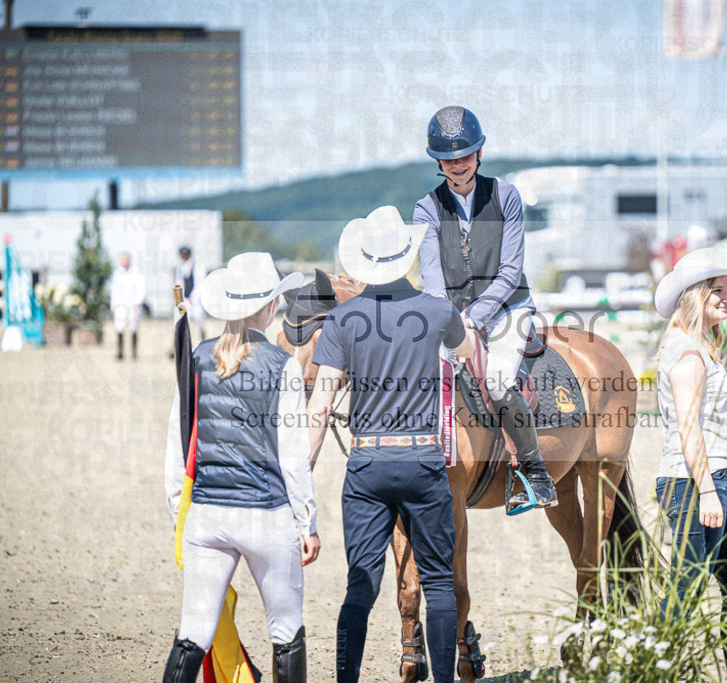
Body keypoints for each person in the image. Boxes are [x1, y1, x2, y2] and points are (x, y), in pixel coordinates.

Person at [306, 206, 477, 683]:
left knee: (359, 587)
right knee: (440, 582)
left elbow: (320, 408)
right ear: (407, 258)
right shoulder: (440, 311)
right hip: (423, 460)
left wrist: (301, 474)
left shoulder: (342, 320)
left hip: (367, 462)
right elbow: (469, 355)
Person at [162, 253, 319, 683]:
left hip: (207, 517)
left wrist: (180, 513)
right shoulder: (283, 366)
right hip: (266, 516)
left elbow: (179, 447)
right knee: (285, 632)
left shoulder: (196, 358)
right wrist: (308, 522)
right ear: (269, 307)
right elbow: (292, 454)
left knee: (191, 636)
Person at [413, 105, 556, 510]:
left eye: (465, 155)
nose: (457, 165)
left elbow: (511, 271)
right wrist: (448, 318)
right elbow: (432, 275)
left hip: (507, 308)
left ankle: (534, 471)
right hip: (453, 315)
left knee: (496, 380)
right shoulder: (426, 208)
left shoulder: (506, 196)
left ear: (479, 154)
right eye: (448, 158)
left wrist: (473, 318)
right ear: (438, 161)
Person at [652, 246, 727, 678]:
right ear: (694, 296)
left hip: (709, 480)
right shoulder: (688, 354)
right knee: (686, 587)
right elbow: (690, 429)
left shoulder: (694, 346)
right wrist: (709, 489)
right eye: (718, 291)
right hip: (695, 484)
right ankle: (653, 668)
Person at [110, 252, 146, 360]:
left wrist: (138, 301)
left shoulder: (136, 272)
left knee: (133, 328)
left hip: (132, 303)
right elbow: (114, 290)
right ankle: (120, 352)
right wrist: (112, 305)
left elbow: (141, 288)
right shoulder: (117, 273)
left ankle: (134, 353)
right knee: (119, 327)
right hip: (120, 303)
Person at [175, 245, 207, 341]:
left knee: (200, 320)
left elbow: (199, 283)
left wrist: (193, 297)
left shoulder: (197, 266)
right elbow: (179, 283)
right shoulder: (180, 268)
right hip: (184, 299)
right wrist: (180, 299)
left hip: (195, 299)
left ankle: (203, 339)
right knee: (182, 320)